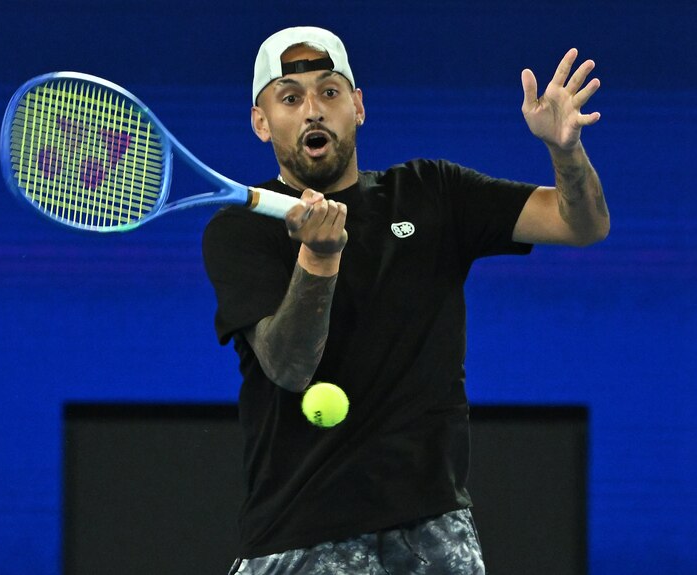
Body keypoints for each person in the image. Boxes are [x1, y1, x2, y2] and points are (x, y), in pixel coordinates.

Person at [202, 26, 609, 575]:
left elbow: (580, 223)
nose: (313, 111)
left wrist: (566, 151)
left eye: (329, 91)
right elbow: (289, 365)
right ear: (261, 121)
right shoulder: (240, 230)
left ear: (359, 106)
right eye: (290, 98)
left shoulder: (432, 192)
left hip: (432, 534)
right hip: (296, 535)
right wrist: (318, 261)